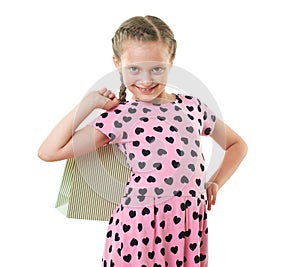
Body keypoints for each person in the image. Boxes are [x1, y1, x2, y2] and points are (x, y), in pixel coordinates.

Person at [38, 15, 247, 267]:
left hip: (187, 229)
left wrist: (215, 182)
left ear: (171, 61)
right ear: (117, 63)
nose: (146, 80)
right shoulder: (121, 116)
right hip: (140, 232)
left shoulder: (192, 107)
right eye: (134, 69)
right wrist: (87, 105)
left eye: (157, 69)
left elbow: (237, 145)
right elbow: (49, 151)